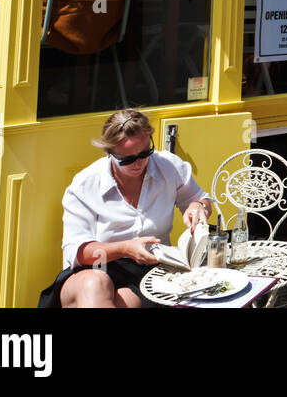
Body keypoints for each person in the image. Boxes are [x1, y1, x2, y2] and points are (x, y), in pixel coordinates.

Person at [39, 109, 212, 307]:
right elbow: (77, 252)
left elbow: (199, 199)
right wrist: (125, 249)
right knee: (96, 283)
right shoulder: (86, 184)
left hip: (148, 274)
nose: (138, 163)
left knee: (122, 302)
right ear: (108, 153)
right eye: (127, 159)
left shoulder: (168, 166)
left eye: (145, 153)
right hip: (94, 269)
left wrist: (198, 206)